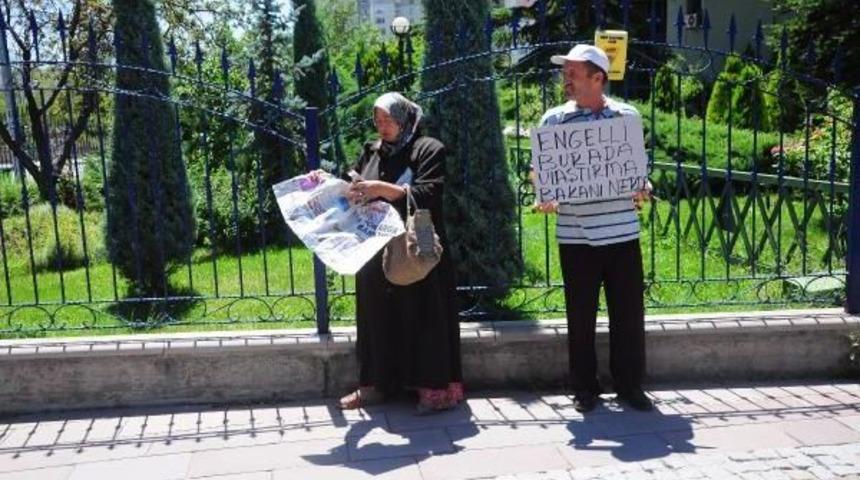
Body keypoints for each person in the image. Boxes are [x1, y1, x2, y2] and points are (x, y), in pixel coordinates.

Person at [314, 92, 463, 414]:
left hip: (414, 245)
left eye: (389, 119)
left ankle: (432, 389)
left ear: (406, 118)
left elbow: (429, 192)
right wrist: (342, 188)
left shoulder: (428, 149)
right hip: (374, 248)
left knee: (422, 313)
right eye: (378, 120)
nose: (382, 126)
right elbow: (354, 187)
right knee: (375, 316)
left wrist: (383, 190)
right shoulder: (371, 151)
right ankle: (375, 384)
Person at [534, 44, 653, 413]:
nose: (565, 79)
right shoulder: (553, 121)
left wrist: (643, 186)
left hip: (621, 232)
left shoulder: (626, 116)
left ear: (597, 78)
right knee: (580, 315)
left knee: (628, 313)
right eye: (564, 72)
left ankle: (629, 385)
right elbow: (541, 173)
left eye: (573, 73)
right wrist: (546, 194)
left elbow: (636, 168)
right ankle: (584, 387)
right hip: (575, 235)